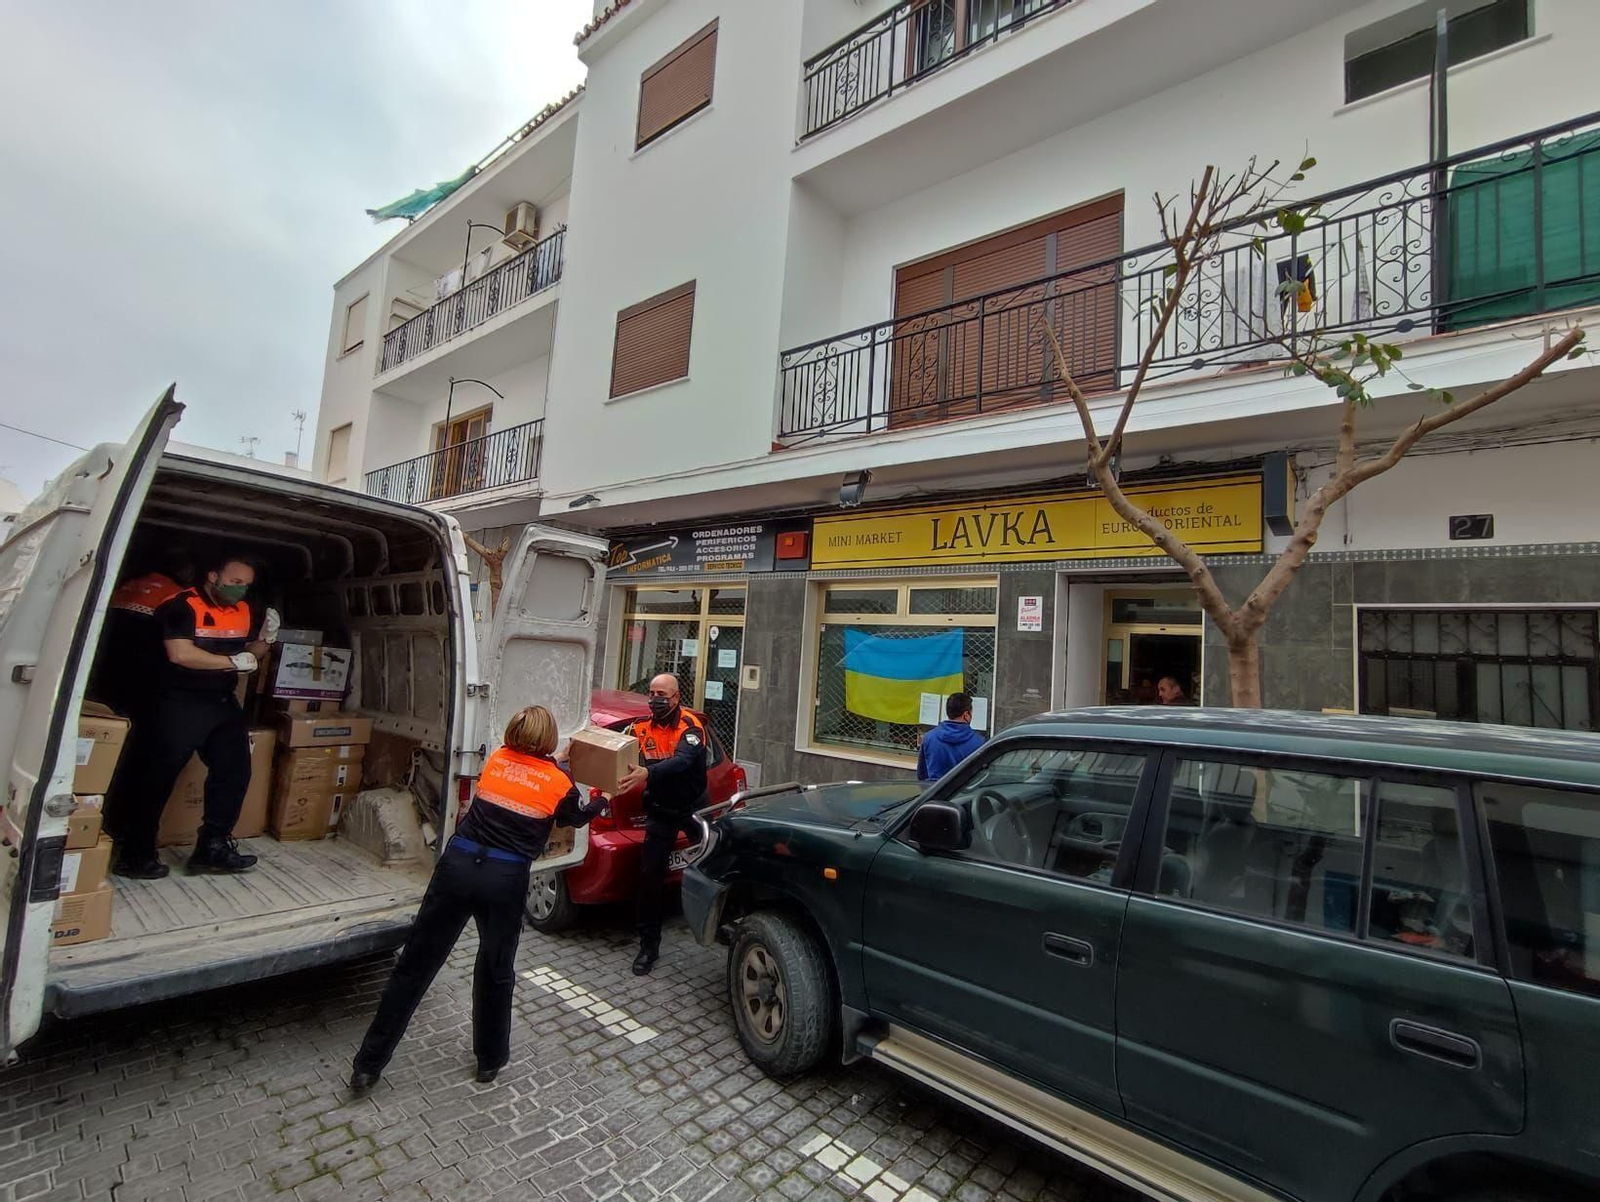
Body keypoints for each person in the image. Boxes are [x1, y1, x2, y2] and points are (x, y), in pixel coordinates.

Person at [350, 707, 607, 1094]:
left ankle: (368, 1065)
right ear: (550, 741)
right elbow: (573, 816)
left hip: (457, 865)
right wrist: (601, 801)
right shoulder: (559, 782)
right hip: (503, 878)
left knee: (415, 966)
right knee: (495, 969)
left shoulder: (497, 761)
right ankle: (489, 1060)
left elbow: (525, 772)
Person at [112, 557, 268, 880]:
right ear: (213, 576)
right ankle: (136, 854)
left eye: (246, 584)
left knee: (235, 769)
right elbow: (180, 653)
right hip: (178, 702)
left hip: (221, 702)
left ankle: (212, 847)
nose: (240, 589)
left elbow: (248, 655)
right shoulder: (182, 605)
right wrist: (233, 661)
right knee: (156, 778)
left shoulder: (245, 610)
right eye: (235, 581)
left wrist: (265, 641)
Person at [617, 673, 708, 977]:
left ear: (677, 697)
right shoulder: (641, 728)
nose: (656, 699)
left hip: (692, 809)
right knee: (649, 878)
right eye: (652, 693)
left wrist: (647, 773)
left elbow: (682, 762)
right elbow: (618, 749)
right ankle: (648, 946)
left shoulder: (691, 727)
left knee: (713, 865)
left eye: (663, 694)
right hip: (660, 810)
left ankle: (723, 921)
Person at [916, 692, 987, 782]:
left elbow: (921, 774)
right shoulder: (979, 743)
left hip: (935, 792)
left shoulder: (929, 738)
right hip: (964, 794)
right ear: (966, 715)